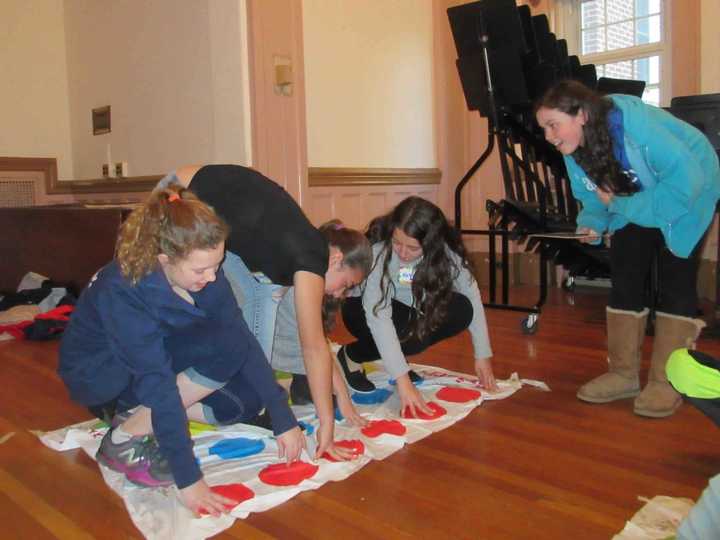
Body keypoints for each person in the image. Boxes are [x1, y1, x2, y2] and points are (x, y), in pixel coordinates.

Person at [58, 186, 304, 517]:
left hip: (157, 350)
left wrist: (282, 417)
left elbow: (242, 339)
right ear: (164, 260)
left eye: (217, 264)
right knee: (212, 359)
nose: (213, 277)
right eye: (201, 270)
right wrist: (189, 479)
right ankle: (123, 438)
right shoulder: (122, 290)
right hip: (102, 376)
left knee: (243, 399)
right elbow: (156, 379)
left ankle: (147, 415)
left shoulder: (203, 271)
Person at [535, 79, 720, 417]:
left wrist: (622, 206)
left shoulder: (637, 125)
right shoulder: (573, 150)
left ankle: (666, 381)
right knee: (626, 273)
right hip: (633, 197)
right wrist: (592, 222)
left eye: (552, 125)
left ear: (581, 116)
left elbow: (685, 183)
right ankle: (623, 374)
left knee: (676, 281)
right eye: (544, 128)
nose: (549, 136)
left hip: (691, 191)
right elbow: (592, 198)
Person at [159, 165, 370, 460]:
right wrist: (327, 424)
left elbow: (313, 345)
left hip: (220, 211)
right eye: (345, 284)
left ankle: (250, 401)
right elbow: (314, 349)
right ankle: (154, 399)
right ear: (335, 258)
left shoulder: (294, 260)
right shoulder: (310, 260)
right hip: (182, 188)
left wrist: (340, 401)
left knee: (258, 348)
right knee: (167, 292)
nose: (340, 294)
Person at [338, 196, 496, 417]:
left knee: (463, 308)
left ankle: (400, 355)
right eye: (397, 242)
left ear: (432, 243)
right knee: (410, 334)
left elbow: (472, 294)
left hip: (404, 311)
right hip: (360, 311)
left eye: (412, 248)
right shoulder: (380, 253)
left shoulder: (446, 252)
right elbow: (378, 316)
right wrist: (402, 381)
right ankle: (351, 355)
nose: (402, 253)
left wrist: (482, 354)